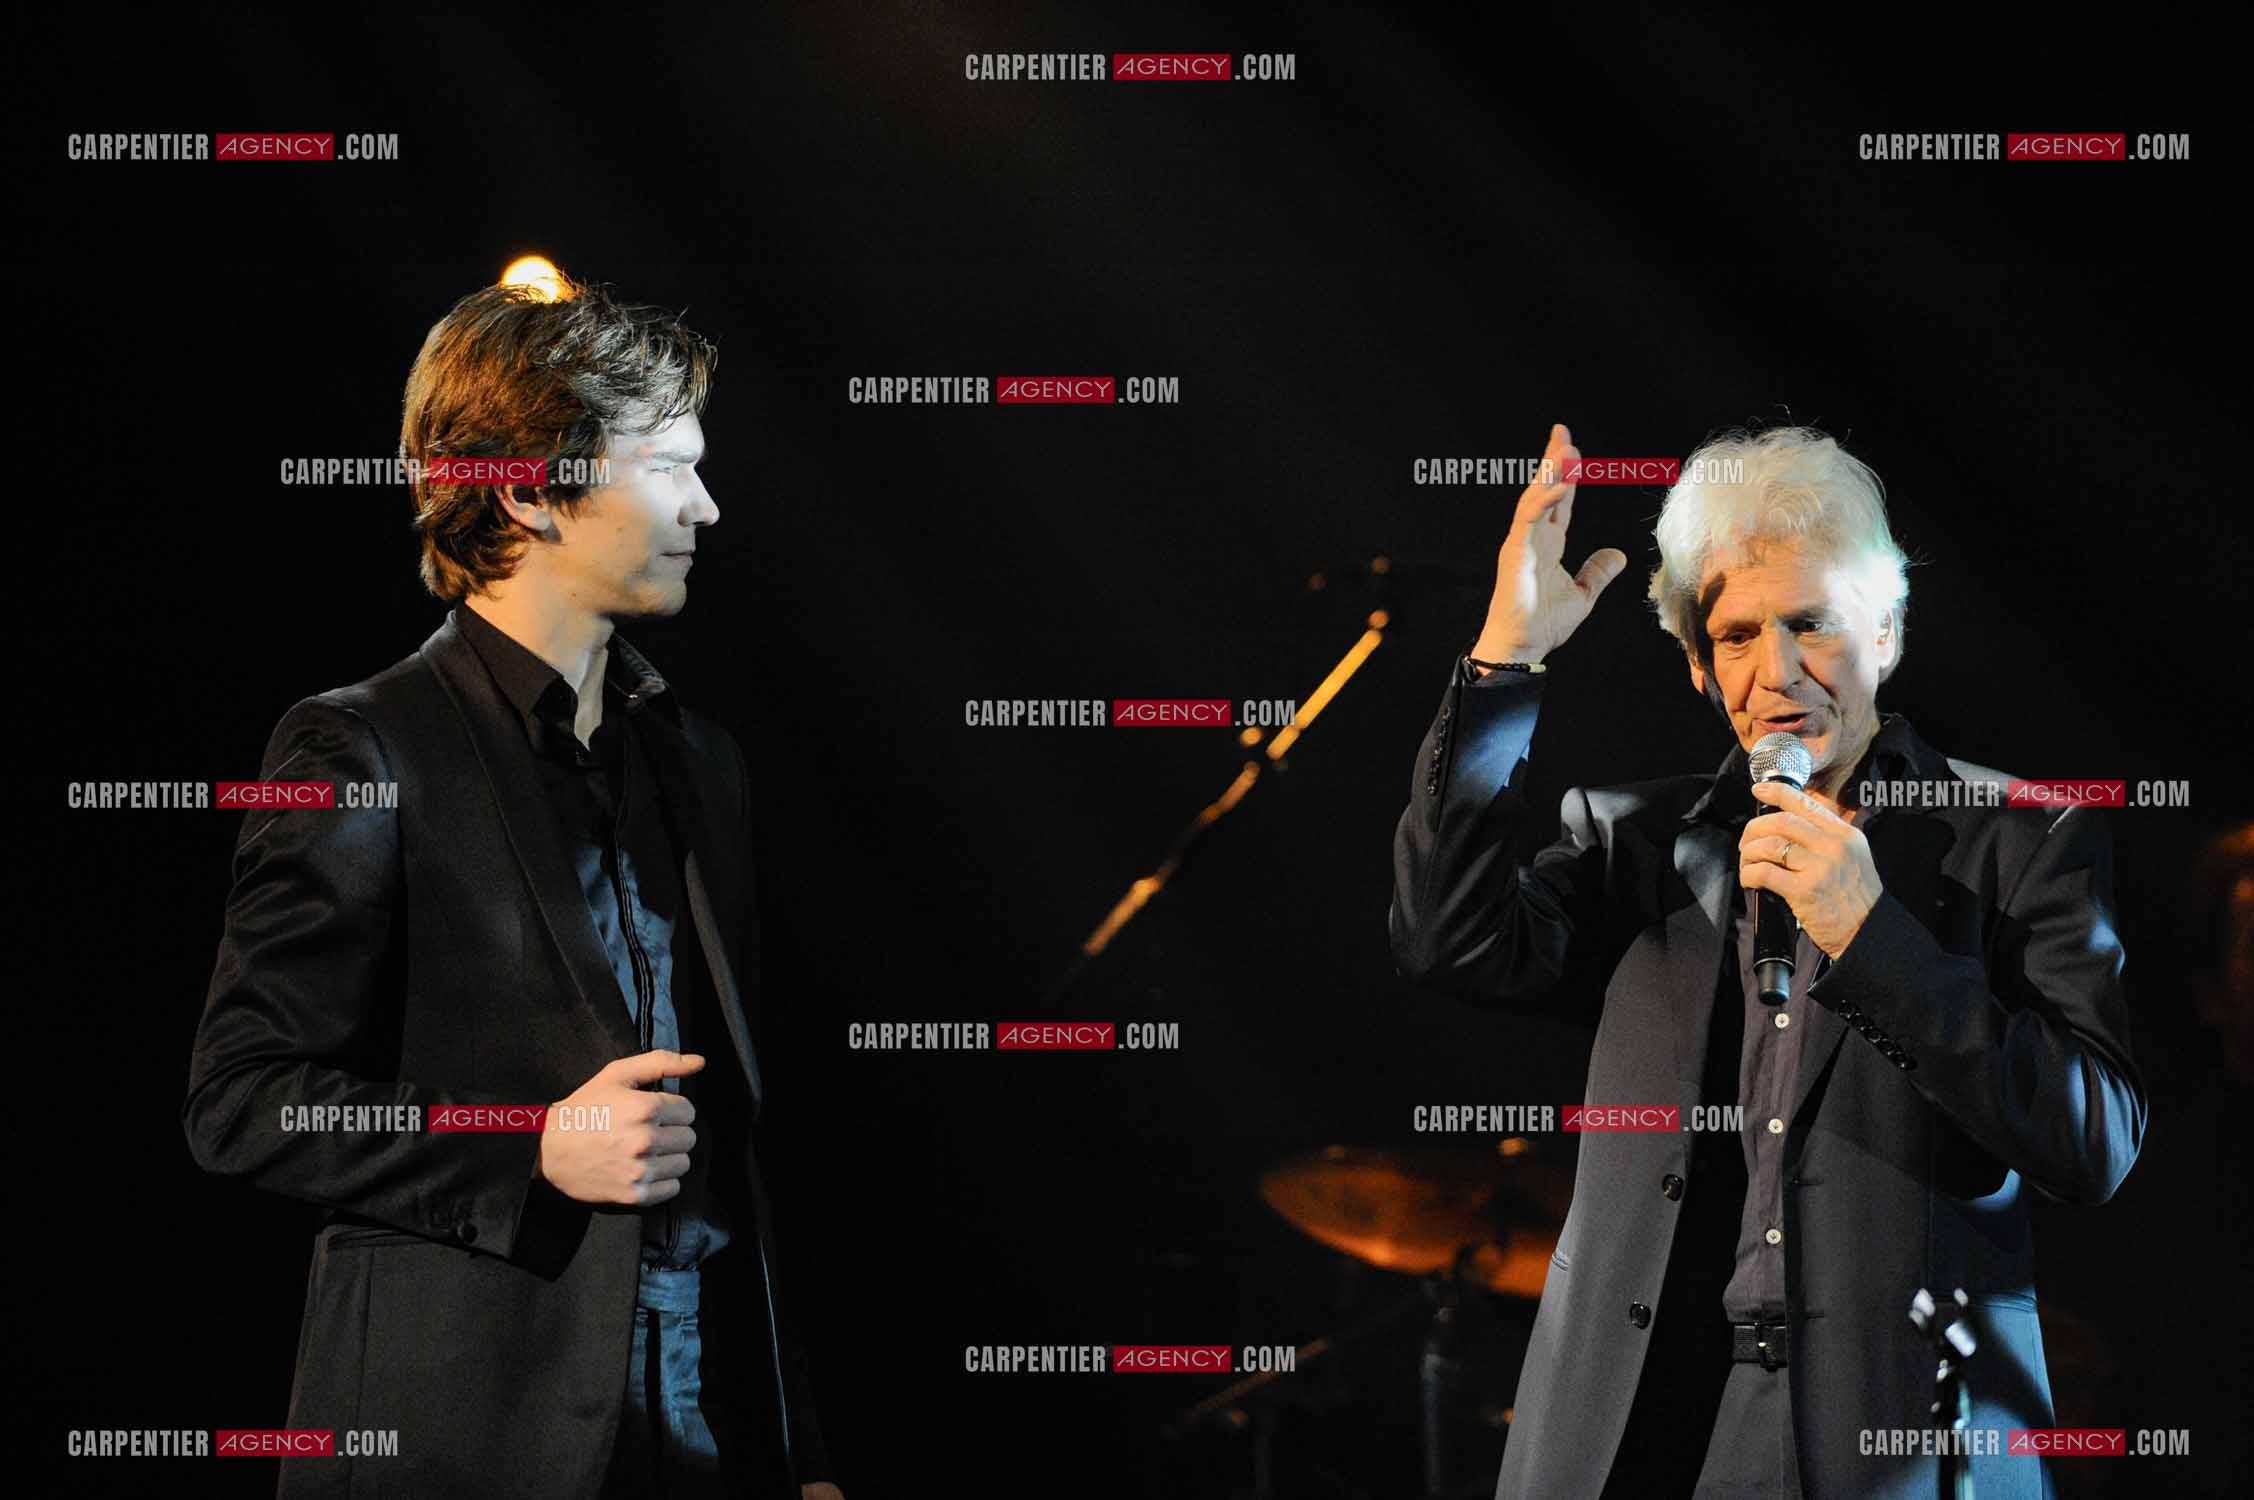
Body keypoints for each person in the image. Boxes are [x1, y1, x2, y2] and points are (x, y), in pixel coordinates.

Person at [1389, 422, 2145, 1499]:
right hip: (1642, 1429)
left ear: (1883, 629)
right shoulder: (1637, 842)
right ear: (1700, 667)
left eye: (1809, 625)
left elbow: (2094, 1139)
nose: (1775, 673)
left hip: (1895, 1441)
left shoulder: (2021, 837)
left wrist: (1873, 939)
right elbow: (1445, 938)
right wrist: (1506, 660)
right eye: (1736, 637)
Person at [184, 274, 844, 1500]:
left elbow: (732, 1163)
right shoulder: (364, 746)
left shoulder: (699, 760)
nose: (705, 503)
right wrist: (530, 1146)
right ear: (534, 488)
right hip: (465, 1438)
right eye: (668, 465)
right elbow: (244, 1100)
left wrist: (794, 1448)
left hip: (701, 1424)